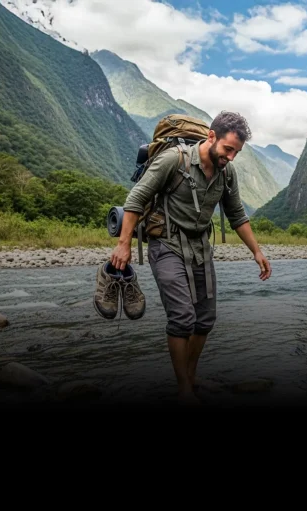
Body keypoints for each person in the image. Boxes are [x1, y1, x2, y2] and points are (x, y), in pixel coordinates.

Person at [111, 111, 272, 405]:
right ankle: (184, 388)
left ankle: (190, 376)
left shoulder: (227, 173)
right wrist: (123, 245)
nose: (231, 157)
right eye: (228, 149)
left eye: (237, 152)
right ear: (211, 137)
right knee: (183, 319)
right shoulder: (175, 159)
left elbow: (237, 215)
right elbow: (135, 199)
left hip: (200, 248)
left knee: (205, 320)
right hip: (166, 244)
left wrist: (257, 252)